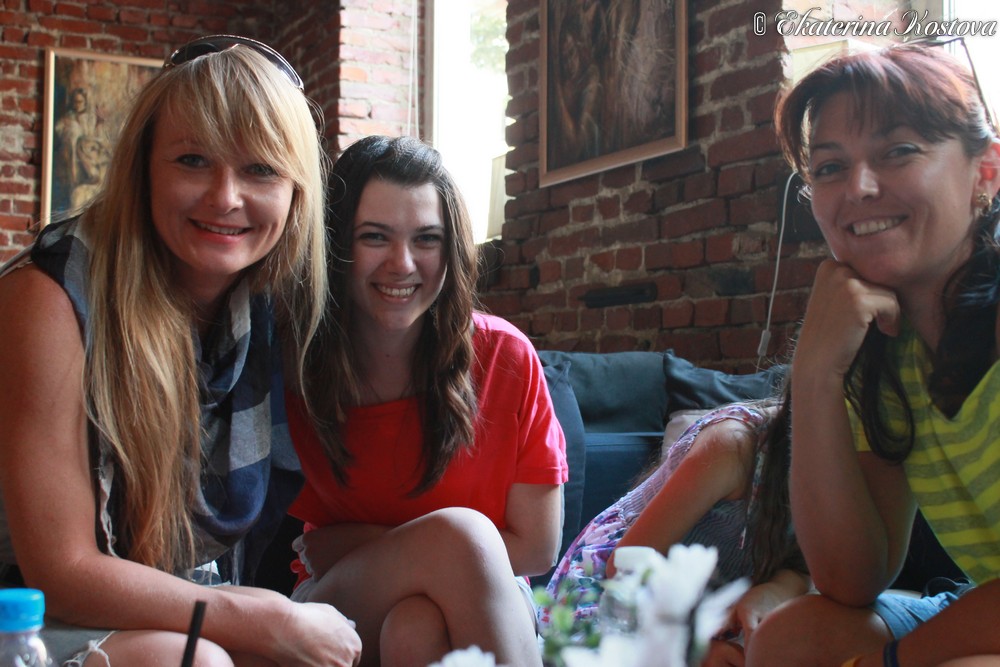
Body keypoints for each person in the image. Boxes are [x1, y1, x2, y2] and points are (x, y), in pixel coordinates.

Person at [0, 36, 362, 666]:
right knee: (202, 658)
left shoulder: (261, 307)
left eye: (260, 169)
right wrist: (266, 616)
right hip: (25, 611)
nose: (225, 197)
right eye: (193, 160)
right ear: (144, 168)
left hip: (146, 607)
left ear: (296, 190)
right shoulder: (47, 299)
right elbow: (61, 572)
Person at [745, 41, 1000, 667]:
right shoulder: (887, 348)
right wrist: (815, 373)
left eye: (899, 151)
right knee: (790, 640)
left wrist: (896, 662)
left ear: (986, 173)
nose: (859, 188)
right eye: (830, 167)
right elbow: (850, 578)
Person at [286, 135, 568, 667]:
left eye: (427, 239)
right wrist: (444, 545)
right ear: (336, 243)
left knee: (415, 628)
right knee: (463, 537)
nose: (403, 263)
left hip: (492, 595)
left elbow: (537, 548)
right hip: (338, 599)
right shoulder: (298, 363)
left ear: (451, 248)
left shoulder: (505, 356)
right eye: (375, 236)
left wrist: (384, 542)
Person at [540, 391, 809, 666]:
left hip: (715, 606)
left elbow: (801, 566)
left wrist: (775, 591)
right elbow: (626, 566)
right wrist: (694, 647)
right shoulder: (735, 445)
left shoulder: (831, 476)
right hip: (620, 594)